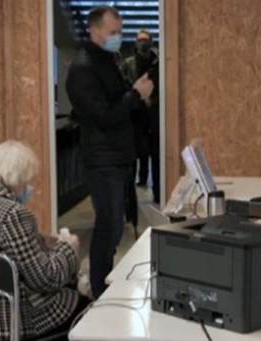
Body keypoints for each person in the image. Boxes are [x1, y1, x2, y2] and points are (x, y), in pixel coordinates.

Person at [0, 140, 89, 340]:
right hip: (10, 320)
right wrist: (67, 247)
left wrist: (39, 239)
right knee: (83, 304)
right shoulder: (13, 213)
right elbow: (46, 279)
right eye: (26, 180)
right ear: (16, 178)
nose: (28, 187)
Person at [66, 6, 153, 298]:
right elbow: (104, 115)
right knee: (108, 226)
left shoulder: (109, 61)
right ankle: (99, 289)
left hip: (120, 156)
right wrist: (136, 96)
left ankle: (104, 281)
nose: (119, 37)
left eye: (120, 31)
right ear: (94, 31)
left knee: (116, 226)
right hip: (103, 160)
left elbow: (120, 103)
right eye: (112, 32)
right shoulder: (83, 68)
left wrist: (137, 97)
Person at [122, 29, 161, 204]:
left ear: (151, 42)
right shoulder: (129, 63)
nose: (143, 43)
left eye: (146, 40)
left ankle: (158, 191)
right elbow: (124, 85)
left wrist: (152, 100)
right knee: (138, 151)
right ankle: (139, 182)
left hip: (154, 113)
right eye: (140, 40)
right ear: (136, 43)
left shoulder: (158, 62)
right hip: (135, 114)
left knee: (155, 152)